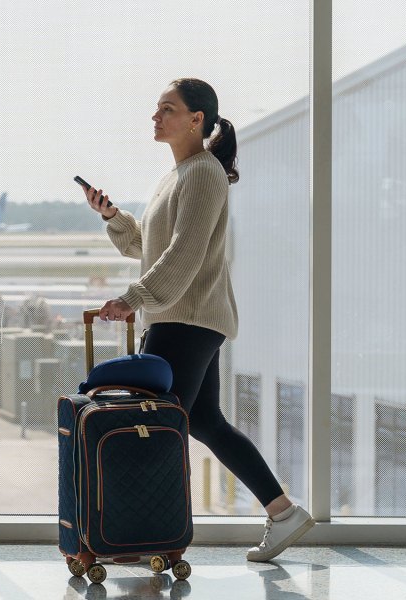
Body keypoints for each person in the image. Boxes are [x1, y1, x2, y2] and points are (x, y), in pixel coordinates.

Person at [83, 78, 313, 562]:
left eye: (167, 109)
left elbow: (185, 254)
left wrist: (134, 297)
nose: (156, 117)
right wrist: (113, 218)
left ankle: (144, 535)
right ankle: (283, 511)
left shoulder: (204, 173)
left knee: (157, 427)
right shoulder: (177, 176)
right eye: (156, 109)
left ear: (197, 120)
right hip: (184, 315)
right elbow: (150, 248)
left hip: (185, 318)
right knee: (203, 421)